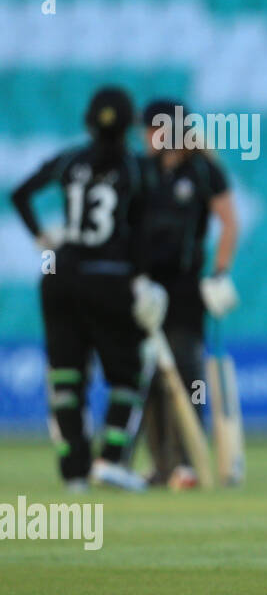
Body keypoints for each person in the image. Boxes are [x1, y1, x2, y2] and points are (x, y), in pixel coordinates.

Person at [9, 86, 168, 492]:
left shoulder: (70, 160)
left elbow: (20, 193)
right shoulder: (135, 168)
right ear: (130, 124)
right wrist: (143, 278)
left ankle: (73, 474)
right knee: (129, 375)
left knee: (66, 379)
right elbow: (144, 231)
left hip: (61, 276)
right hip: (110, 277)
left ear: (88, 121)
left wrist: (42, 236)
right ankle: (110, 460)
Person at [136, 99, 241, 488]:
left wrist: (219, 274)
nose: (144, 137)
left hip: (183, 288)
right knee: (147, 378)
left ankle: (188, 462)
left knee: (187, 374)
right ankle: (162, 464)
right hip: (143, 289)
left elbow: (229, 223)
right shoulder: (140, 170)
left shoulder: (203, 170)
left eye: (150, 129)